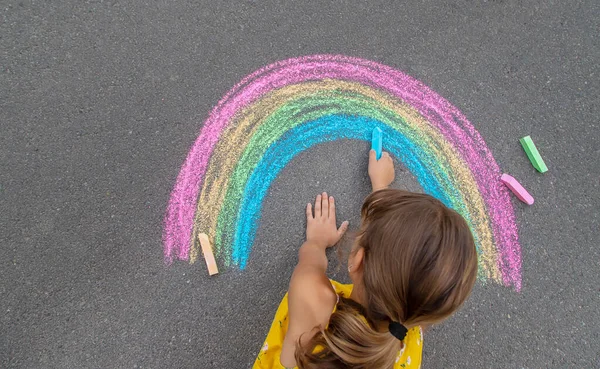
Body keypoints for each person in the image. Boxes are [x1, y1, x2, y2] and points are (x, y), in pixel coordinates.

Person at [253, 149, 478, 369]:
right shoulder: (405, 326)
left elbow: (310, 258)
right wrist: (381, 187)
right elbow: (407, 261)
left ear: (357, 260)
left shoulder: (313, 298)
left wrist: (317, 242)